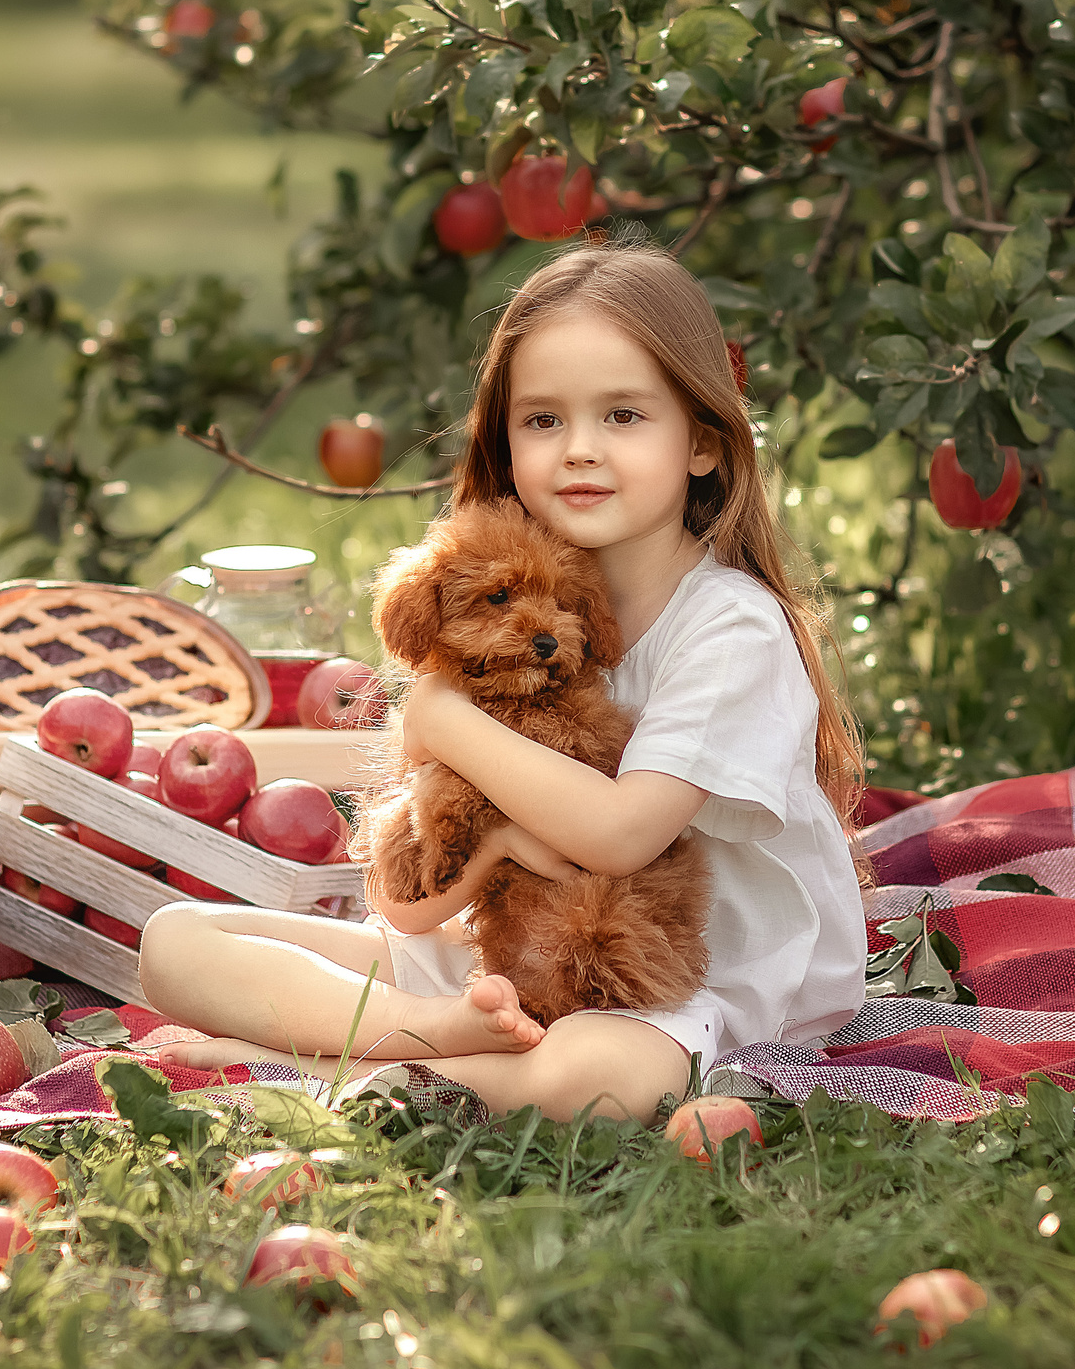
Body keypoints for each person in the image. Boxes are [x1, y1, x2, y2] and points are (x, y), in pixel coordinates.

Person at [138, 236, 870, 1121]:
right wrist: (493, 848)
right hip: (504, 956)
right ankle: (432, 1036)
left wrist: (441, 719)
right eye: (543, 420)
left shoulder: (730, 628)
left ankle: (317, 1068)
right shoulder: (488, 624)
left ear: (704, 446)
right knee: (173, 941)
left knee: (594, 1076)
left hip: (688, 991)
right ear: (507, 441)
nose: (580, 450)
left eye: (624, 415)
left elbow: (623, 835)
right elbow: (403, 904)